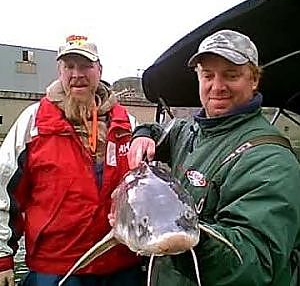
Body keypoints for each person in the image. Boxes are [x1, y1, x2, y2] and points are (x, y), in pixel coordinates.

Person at [127, 29, 300, 285]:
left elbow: (254, 265)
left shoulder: (271, 159)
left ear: (254, 79)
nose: (217, 87)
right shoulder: (189, 129)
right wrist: (142, 134)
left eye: (231, 75)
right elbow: (158, 130)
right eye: (208, 75)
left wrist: (174, 235)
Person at [0, 35, 143, 286]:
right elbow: (3, 187)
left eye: (85, 66)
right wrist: (3, 256)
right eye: (69, 66)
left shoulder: (128, 125)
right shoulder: (34, 122)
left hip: (121, 265)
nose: (77, 74)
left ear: (99, 70)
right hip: (56, 267)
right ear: (59, 71)